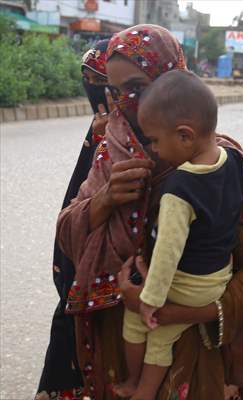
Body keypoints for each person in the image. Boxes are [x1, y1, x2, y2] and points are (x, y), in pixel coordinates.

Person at [54, 25, 243, 400]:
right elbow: (66, 237)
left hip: (192, 359)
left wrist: (174, 313)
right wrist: (106, 199)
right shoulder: (110, 154)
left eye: (137, 88)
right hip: (117, 354)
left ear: (171, 77)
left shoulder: (217, 166)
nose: (125, 101)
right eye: (115, 91)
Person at [114, 70, 243, 400]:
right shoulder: (234, 162)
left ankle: (139, 388)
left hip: (185, 288)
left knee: (150, 332)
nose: (155, 150)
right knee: (159, 334)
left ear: (185, 136)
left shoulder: (179, 189)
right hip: (216, 280)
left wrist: (151, 301)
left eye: (156, 141)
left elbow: (167, 253)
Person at [35, 39, 110, 400]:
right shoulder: (99, 131)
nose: (94, 88)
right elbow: (74, 213)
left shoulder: (178, 142)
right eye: (88, 78)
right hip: (81, 296)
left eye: (102, 79)